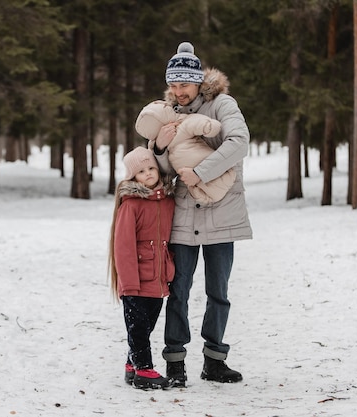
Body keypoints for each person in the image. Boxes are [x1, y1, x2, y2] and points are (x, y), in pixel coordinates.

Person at [147, 41, 253, 387]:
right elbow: (163, 171)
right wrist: (159, 147)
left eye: (184, 84)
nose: (178, 91)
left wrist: (202, 172)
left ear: (198, 82)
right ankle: (175, 362)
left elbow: (239, 142)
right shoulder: (166, 111)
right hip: (183, 215)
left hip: (221, 211)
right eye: (173, 84)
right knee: (178, 290)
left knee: (218, 291)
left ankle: (215, 361)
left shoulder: (222, 104)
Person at [107, 146, 176, 390]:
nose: (148, 174)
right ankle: (144, 370)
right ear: (133, 177)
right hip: (135, 280)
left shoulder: (168, 201)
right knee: (137, 327)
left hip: (157, 278)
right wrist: (128, 284)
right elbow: (123, 246)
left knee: (146, 327)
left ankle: (131, 364)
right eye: (141, 171)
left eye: (151, 168)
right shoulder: (131, 205)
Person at [135, 99, 236, 205]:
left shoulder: (182, 124)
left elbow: (195, 123)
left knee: (210, 183)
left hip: (209, 167)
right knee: (199, 191)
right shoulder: (155, 143)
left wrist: (208, 126)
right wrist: (159, 147)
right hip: (193, 181)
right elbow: (165, 171)